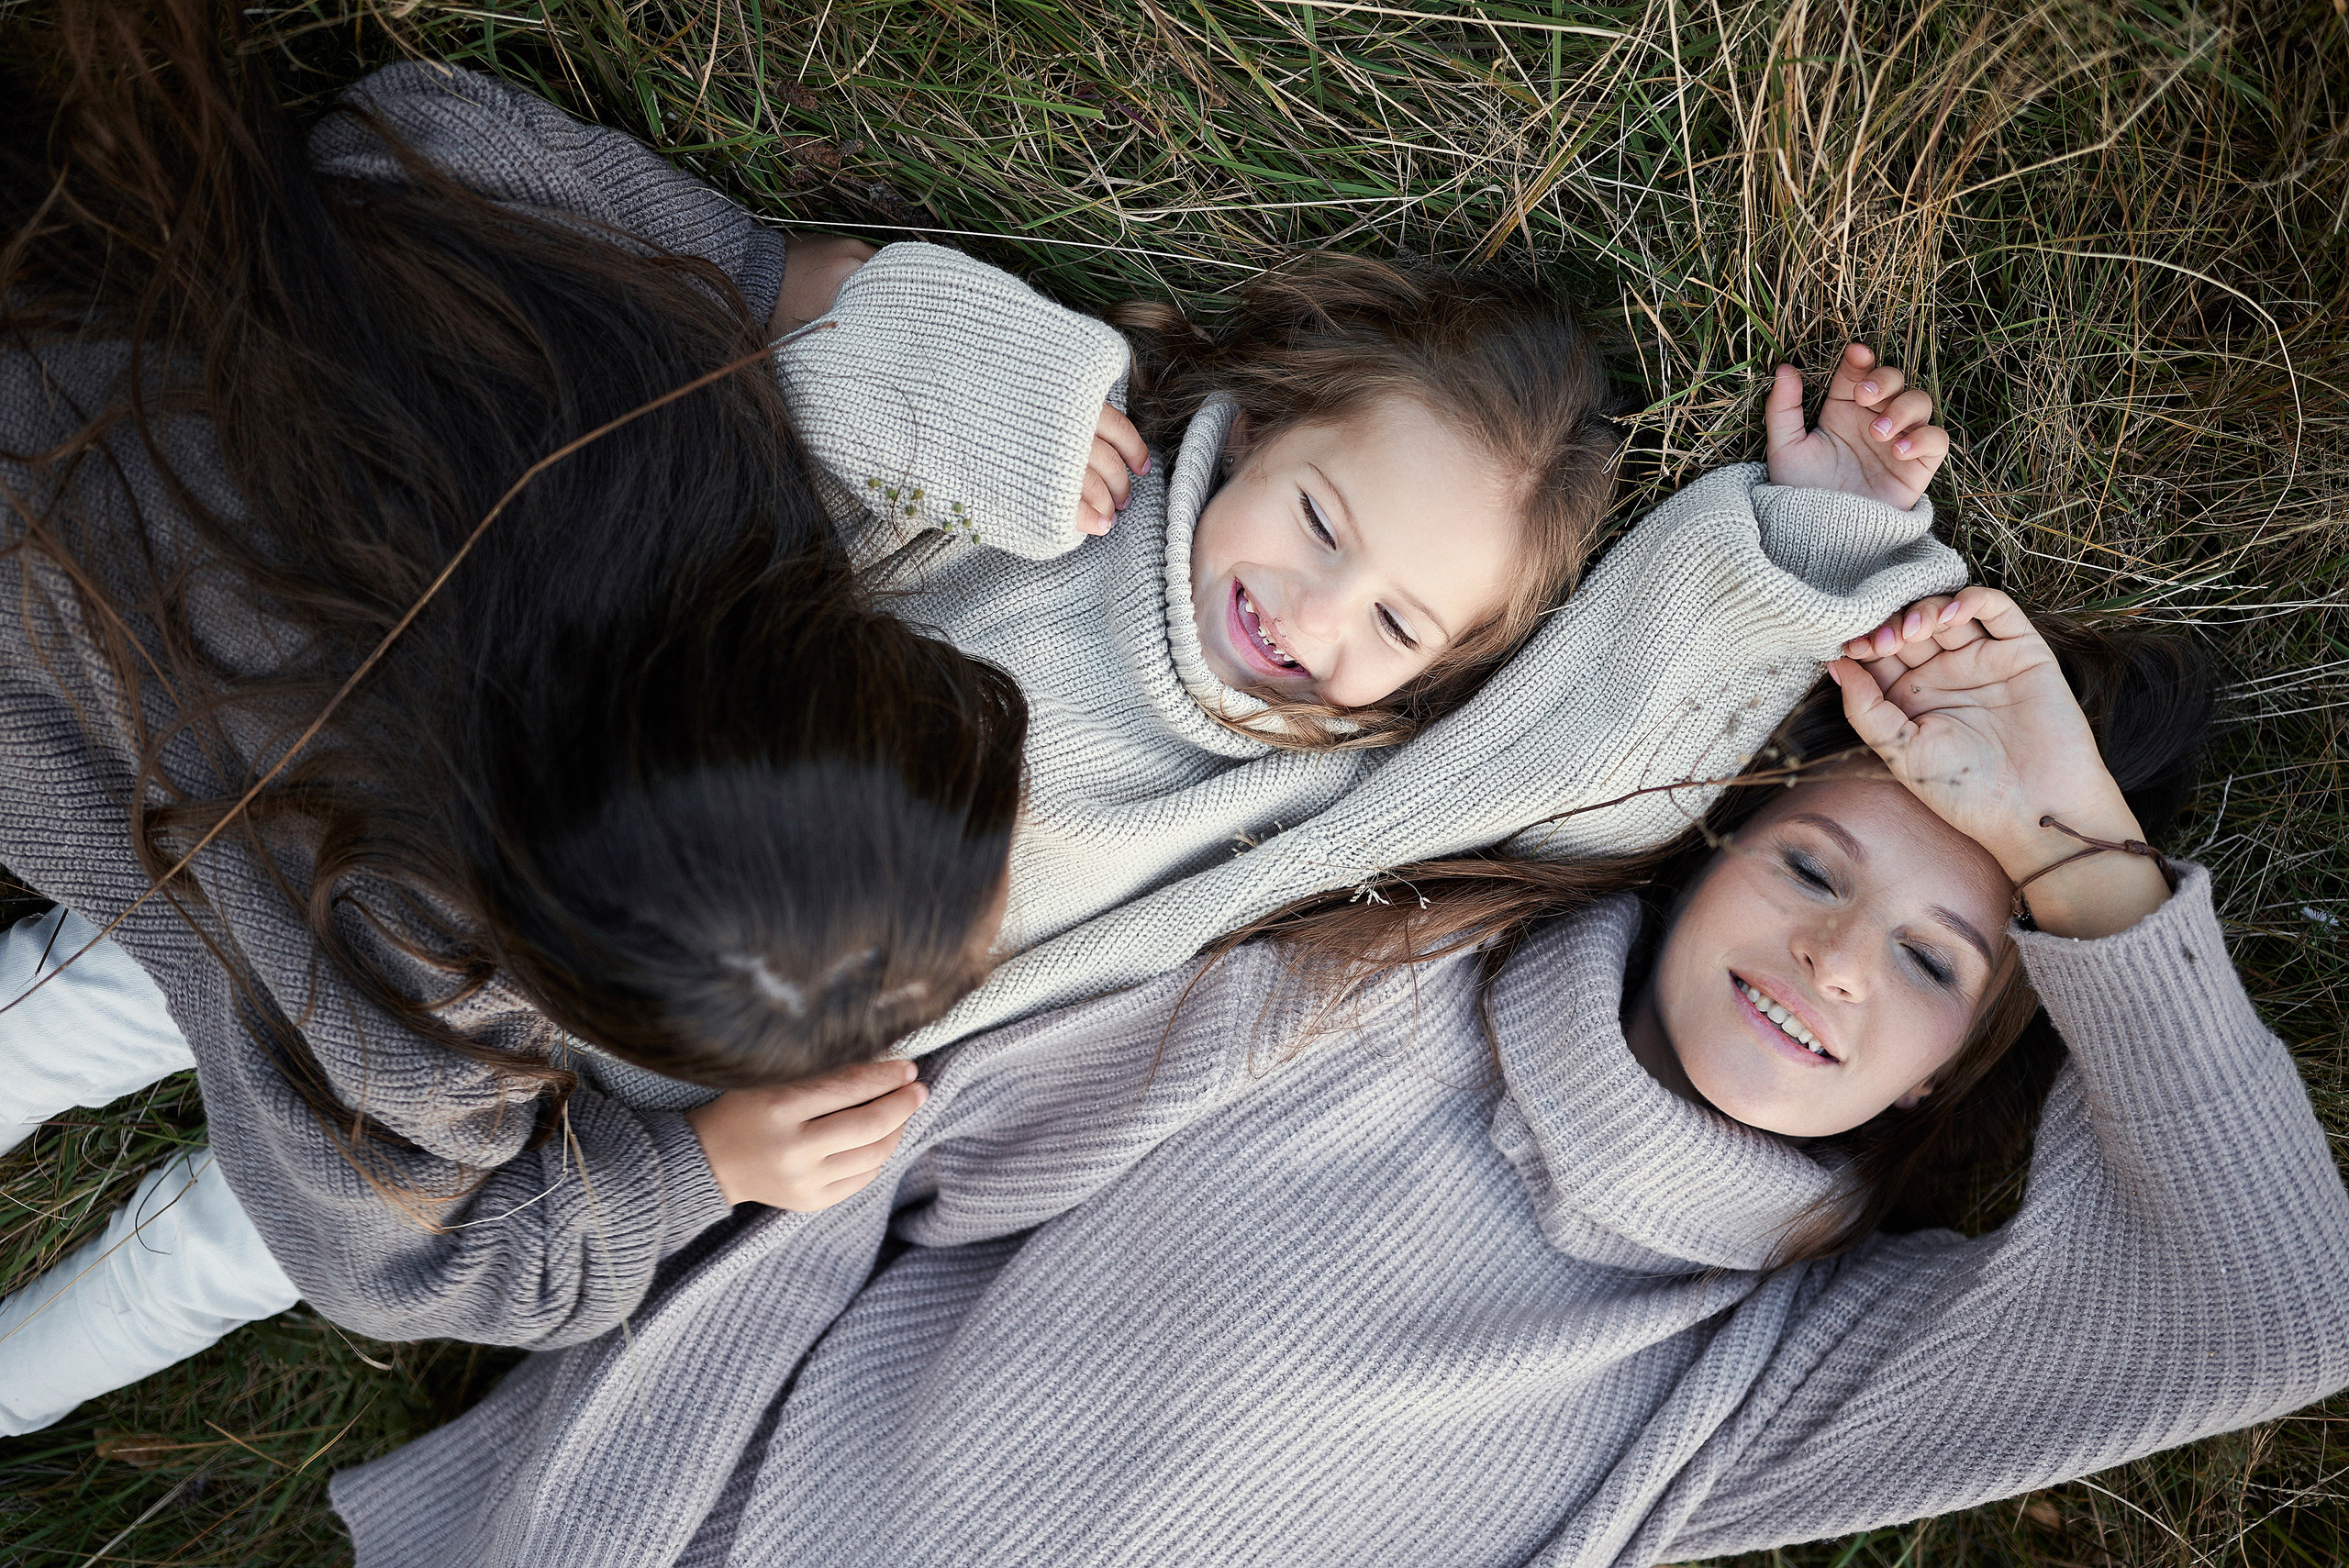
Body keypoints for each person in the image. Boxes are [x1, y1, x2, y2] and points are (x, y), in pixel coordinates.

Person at [7, 25, 1968, 1424]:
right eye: (1313, 521)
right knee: (120, 980)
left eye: (1395, 625)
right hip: (519, 821)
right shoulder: (1064, 476)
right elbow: (782, 398)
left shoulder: (1312, 783)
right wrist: (1018, 400)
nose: (1308, 620)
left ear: (1430, 679)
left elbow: (1573, 756)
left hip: (698, 1084)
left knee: (234, 1241)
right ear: (1256, 417)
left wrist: (1808, 543)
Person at [328, 588, 2349, 1568]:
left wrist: (2079, 858)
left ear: (1958, 1075)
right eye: (1809, 866)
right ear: (1709, 857)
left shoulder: (1752, 1380)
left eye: (1931, 959)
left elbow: (2272, 1308)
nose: (1830, 957)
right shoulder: (1364, 998)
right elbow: (890, 1161)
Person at [0, 1, 1023, 1431]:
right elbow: (401, 1264)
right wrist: (702, 1166)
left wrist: (771, 277)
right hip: (92, 685)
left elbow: (418, 129)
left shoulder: (608, 432)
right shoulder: (415, 1001)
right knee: (117, 1128)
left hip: (73, 404)